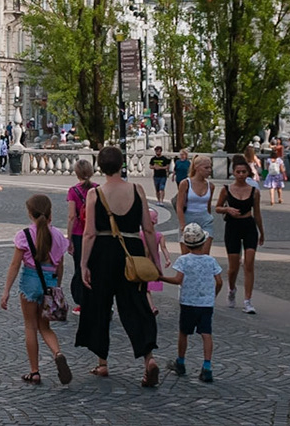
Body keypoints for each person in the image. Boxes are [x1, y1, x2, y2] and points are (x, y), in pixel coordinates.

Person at [74, 146, 163, 386]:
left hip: (102, 252)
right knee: (136, 305)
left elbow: (89, 233)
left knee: (99, 307)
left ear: (100, 167)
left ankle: (102, 363)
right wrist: (155, 260)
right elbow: (149, 228)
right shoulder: (137, 190)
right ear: (122, 164)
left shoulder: (94, 194)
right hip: (131, 251)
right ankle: (149, 359)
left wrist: (83, 264)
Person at [0, 193, 72, 385]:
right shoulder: (58, 235)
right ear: (50, 212)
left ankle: (35, 371)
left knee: (30, 326)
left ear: (30, 213)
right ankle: (58, 353)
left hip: (30, 281)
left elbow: (15, 265)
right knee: (44, 326)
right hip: (50, 282)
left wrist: (6, 290)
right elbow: (61, 265)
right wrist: (57, 287)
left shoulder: (24, 235)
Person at [167, 223, 224, 382]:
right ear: (204, 241)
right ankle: (207, 367)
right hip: (206, 303)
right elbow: (219, 281)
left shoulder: (183, 260)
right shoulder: (210, 260)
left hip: (188, 302)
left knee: (184, 332)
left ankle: (181, 362)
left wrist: (161, 277)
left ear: (185, 244)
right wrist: (213, 295)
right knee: (206, 334)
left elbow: (178, 279)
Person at [214, 158, 264, 314]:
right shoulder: (226, 189)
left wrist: (261, 232)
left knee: (249, 264)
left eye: (244, 172)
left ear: (248, 173)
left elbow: (257, 212)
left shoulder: (254, 191)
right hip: (232, 227)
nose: (241, 175)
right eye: (238, 172)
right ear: (233, 173)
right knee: (233, 267)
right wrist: (227, 210)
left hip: (248, 226)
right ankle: (232, 288)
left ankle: (248, 300)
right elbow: (217, 208)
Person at [65, 158, 96, 308]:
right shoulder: (98, 189)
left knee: (80, 266)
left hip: (79, 233)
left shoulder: (73, 191)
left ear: (76, 173)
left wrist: (69, 239)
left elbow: (72, 216)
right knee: (96, 266)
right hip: (96, 232)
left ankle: (82, 301)